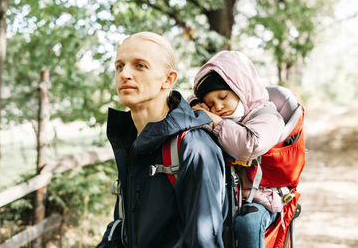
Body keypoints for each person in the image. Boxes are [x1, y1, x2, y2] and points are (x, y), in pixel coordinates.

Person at [96, 32, 227, 248]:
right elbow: (123, 228)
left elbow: (203, 242)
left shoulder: (193, 146)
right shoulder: (131, 139)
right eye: (119, 66)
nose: (124, 74)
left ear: (168, 80)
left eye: (140, 65)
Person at [190, 50, 285, 248]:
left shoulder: (267, 117)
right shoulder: (223, 118)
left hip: (259, 199)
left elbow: (248, 146)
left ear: (240, 88)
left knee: (248, 225)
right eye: (210, 104)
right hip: (223, 196)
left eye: (223, 96)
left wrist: (215, 122)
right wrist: (195, 105)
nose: (218, 106)